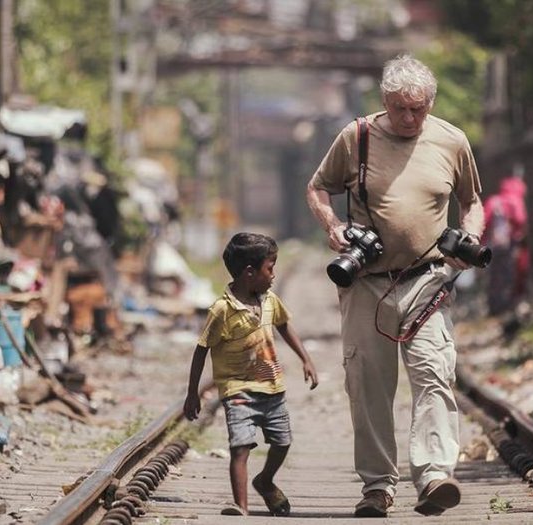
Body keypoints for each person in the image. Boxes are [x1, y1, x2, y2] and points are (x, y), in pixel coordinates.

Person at [305, 55, 484, 518]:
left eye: (417, 109)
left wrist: (470, 238)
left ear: (431, 104)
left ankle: (434, 476)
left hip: (428, 280)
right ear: (384, 101)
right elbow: (318, 187)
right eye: (400, 108)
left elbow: (471, 201)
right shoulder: (357, 136)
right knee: (368, 385)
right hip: (367, 283)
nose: (408, 118)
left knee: (435, 373)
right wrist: (332, 226)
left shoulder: (451, 140)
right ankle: (378, 486)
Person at [183, 232, 319, 516]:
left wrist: (306, 359)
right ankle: (241, 506)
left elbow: (283, 325)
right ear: (249, 272)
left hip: (272, 387)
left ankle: (265, 481)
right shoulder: (222, 310)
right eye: (270, 267)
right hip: (237, 390)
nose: (274, 274)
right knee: (240, 446)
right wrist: (192, 393)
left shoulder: (270, 300)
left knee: (282, 443)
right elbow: (201, 349)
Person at [481, 166, 528, 315]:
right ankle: (507, 304)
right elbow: (521, 220)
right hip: (510, 244)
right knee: (509, 273)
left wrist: (482, 241)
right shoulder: (516, 201)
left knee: (494, 275)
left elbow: (484, 221)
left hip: (493, 244)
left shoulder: (494, 201)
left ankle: (494, 305)